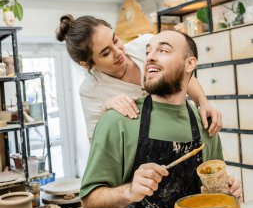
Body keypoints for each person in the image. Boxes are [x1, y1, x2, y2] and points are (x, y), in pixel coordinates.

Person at [80, 30, 241, 208]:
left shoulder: (206, 121)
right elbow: (89, 201)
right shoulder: (117, 120)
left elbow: (215, 194)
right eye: (148, 52)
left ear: (190, 64)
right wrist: (129, 191)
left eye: (163, 50)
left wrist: (227, 193)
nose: (150, 57)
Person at [56, 15, 222, 140]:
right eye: (106, 52)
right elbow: (96, 141)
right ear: (87, 64)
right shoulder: (91, 90)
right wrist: (105, 108)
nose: (119, 52)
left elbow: (180, 73)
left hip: (181, 126)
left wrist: (203, 103)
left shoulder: (146, 45)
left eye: (115, 40)